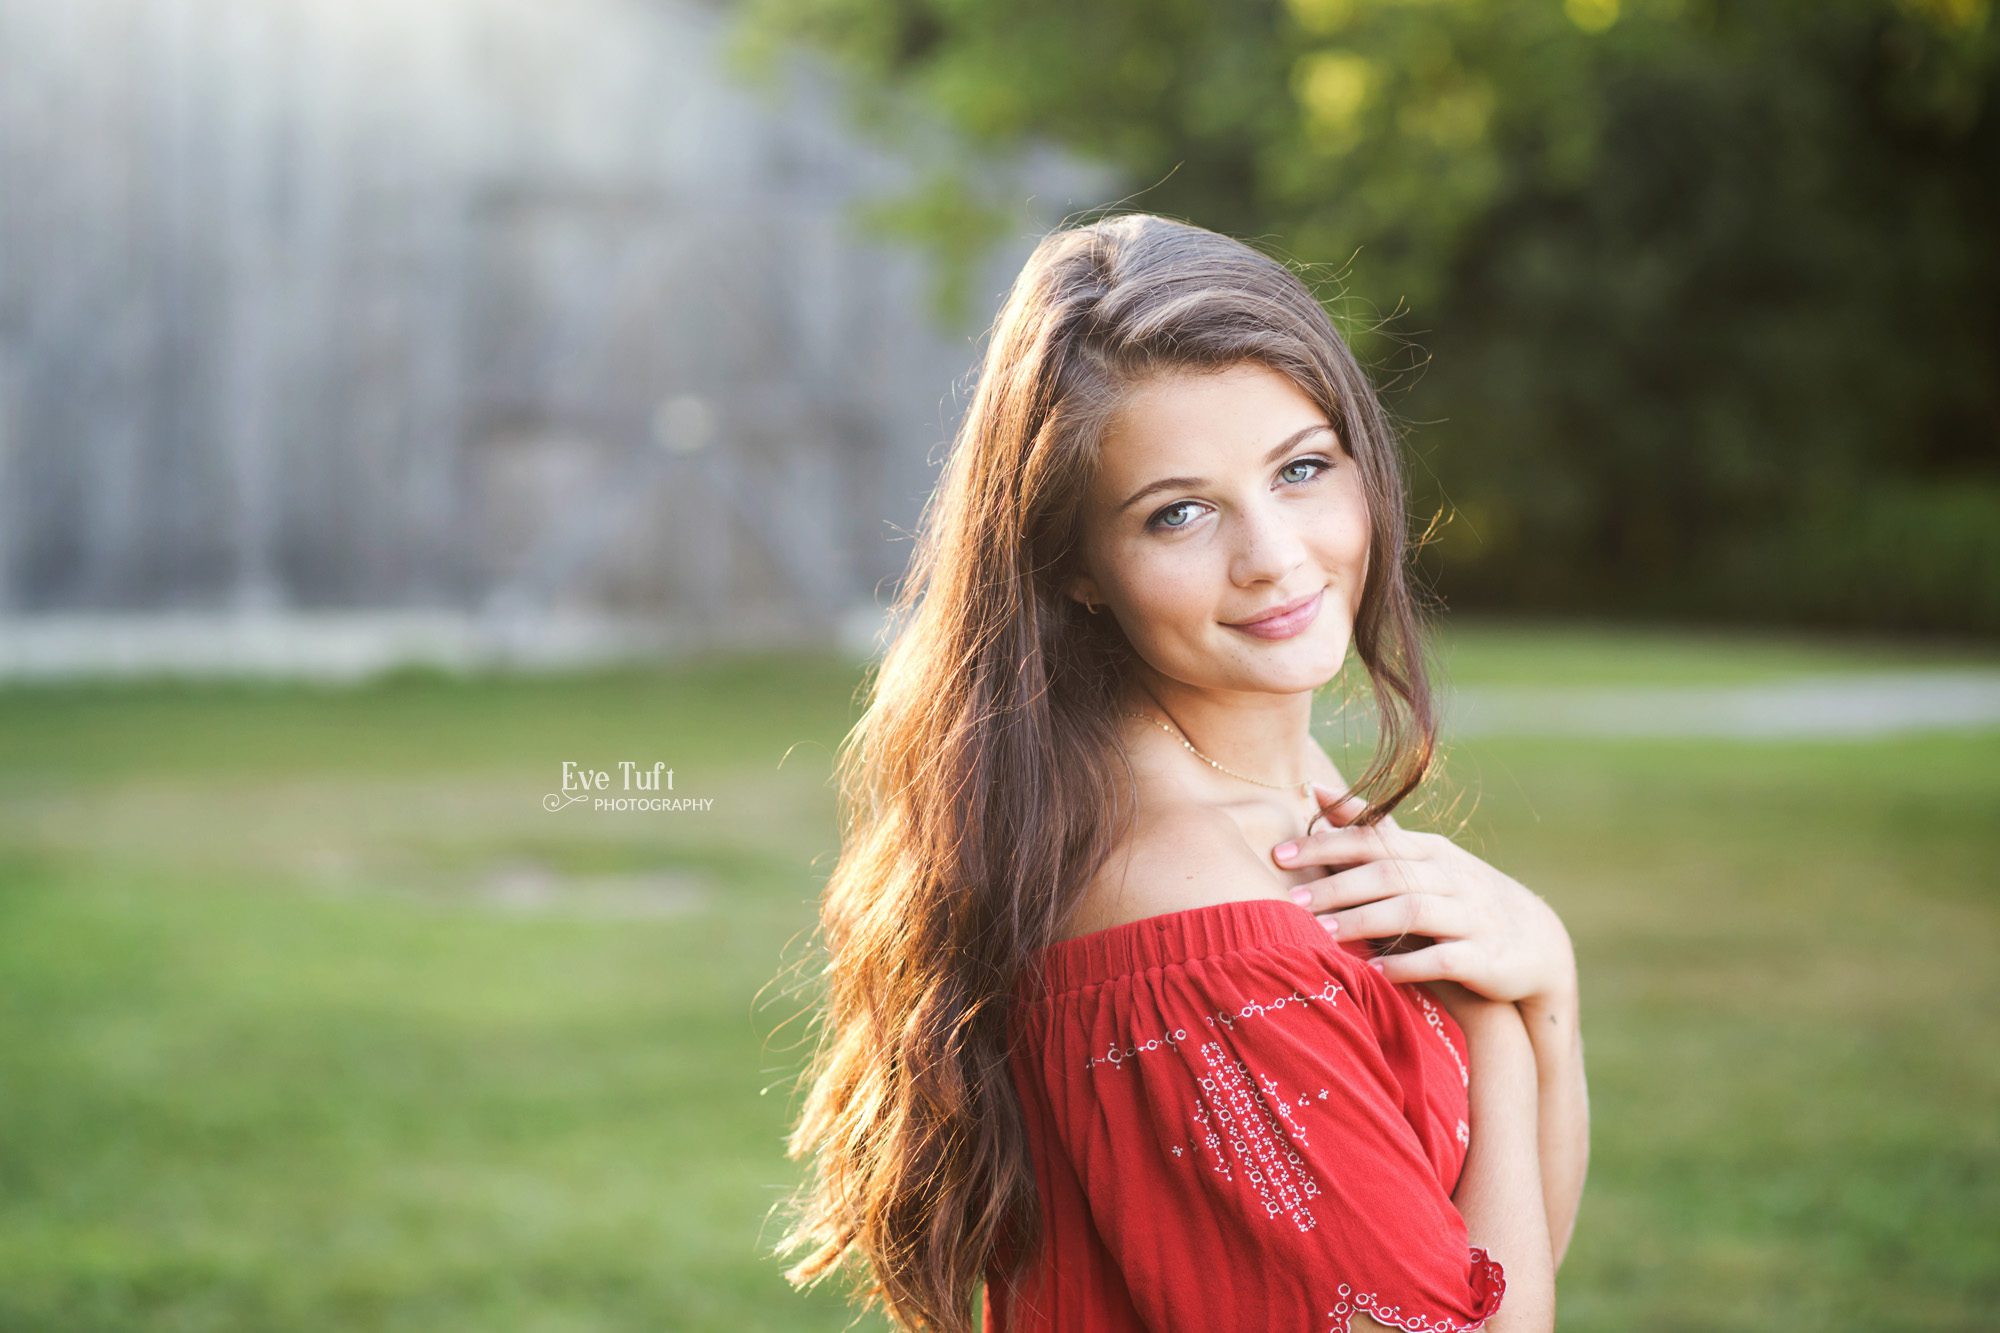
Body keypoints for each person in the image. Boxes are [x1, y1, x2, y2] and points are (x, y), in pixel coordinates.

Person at [772, 213, 1588, 1332]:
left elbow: (1494, 1255)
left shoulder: (1277, 795)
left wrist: (1543, 987)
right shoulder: (1195, 930)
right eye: (1180, 513)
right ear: (1075, 566)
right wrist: (1496, 1020)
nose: (1274, 556)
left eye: (1301, 469)